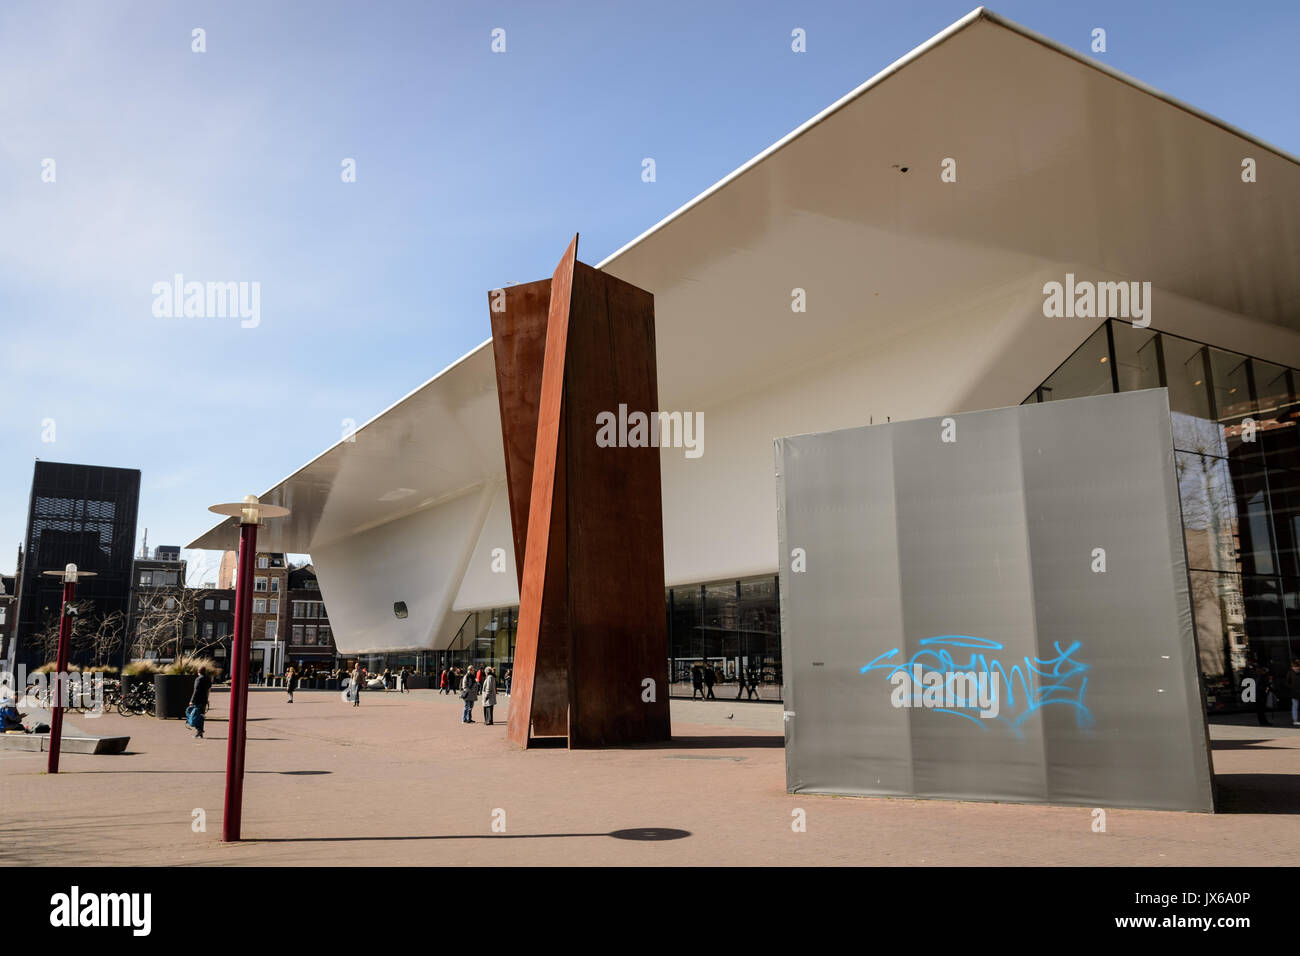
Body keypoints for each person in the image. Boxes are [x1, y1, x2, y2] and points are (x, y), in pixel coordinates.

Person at [188, 670, 212, 738]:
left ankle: (199, 731)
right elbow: (209, 689)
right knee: (201, 715)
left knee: (196, 715)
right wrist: (207, 699)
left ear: (198, 672)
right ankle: (200, 732)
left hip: (198, 700)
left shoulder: (198, 679)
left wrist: (191, 700)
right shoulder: (208, 679)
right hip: (204, 700)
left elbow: (196, 690)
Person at [1286, 659, 1300, 727]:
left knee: (1295, 706)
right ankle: (1295, 720)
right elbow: (1287, 682)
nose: (1295, 668)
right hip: (1294, 693)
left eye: (1296, 667)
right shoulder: (1290, 672)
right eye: (1294, 667)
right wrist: (1292, 687)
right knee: (1295, 706)